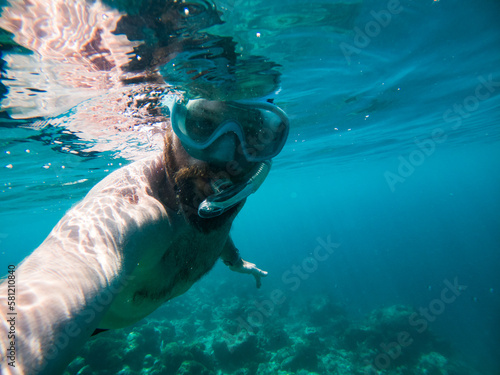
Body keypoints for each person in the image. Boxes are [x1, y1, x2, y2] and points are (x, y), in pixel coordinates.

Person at [0, 97, 289, 375]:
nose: (224, 156)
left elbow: (211, 221)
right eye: (203, 125)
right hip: (97, 327)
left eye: (250, 135)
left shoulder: (230, 192)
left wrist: (235, 261)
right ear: (172, 125)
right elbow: (53, 280)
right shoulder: (131, 210)